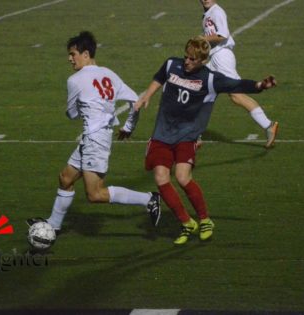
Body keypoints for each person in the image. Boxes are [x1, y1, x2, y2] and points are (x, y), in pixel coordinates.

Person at [135, 36, 276, 245]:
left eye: (192, 59)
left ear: (202, 61)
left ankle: (205, 220)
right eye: (186, 57)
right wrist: (147, 95)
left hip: (187, 135)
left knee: (182, 177)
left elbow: (237, 84)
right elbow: (159, 76)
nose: (187, 62)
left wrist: (260, 85)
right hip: (163, 133)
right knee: (161, 178)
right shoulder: (172, 64)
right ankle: (186, 222)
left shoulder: (211, 79)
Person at [27, 31, 161, 232]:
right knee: (65, 178)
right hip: (95, 137)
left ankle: (149, 199)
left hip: (95, 140)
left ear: (86, 54)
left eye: (73, 54)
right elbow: (136, 100)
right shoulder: (109, 73)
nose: (69, 58)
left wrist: (80, 108)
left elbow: (71, 114)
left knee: (95, 194)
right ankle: (53, 225)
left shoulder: (75, 80)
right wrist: (128, 127)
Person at [199, 0, 279, 148]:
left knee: (237, 95)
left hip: (222, 57)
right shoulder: (208, 14)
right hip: (215, 58)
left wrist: (202, 38)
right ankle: (194, 134)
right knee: (199, 89)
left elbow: (223, 35)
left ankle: (268, 125)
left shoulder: (216, 11)